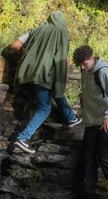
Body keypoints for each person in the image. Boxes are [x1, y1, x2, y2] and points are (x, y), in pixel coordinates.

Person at [10, 11, 81, 153]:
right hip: (45, 74)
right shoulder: (61, 32)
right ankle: (23, 138)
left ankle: (71, 117)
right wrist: (63, 63)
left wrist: (30, 56)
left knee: (54, 91)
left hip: (31, 73)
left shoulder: (35, 30)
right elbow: (59, 58)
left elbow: (15, 45)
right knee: (44, 108)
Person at [73, 45, 108, 199]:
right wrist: (82, 96)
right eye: (79, 65)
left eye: (84, 64)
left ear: (92, 59)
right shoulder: (85, 71)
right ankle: (90, 195)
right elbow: (86, 88)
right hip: (91, 122)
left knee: (107, 160)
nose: (82, 67)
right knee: (88, 160)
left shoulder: (103, 72)